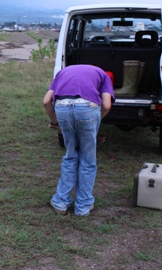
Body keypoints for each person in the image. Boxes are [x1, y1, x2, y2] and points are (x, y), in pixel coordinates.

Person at [43, 64, 114, 216]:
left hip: (62, 107)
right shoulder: (103, 74)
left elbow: (46, 101)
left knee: (70, 155)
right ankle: (83, 207)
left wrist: (56, 122)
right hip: (87, 108)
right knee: (88, 160)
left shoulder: (62, 73)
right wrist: (95, 121)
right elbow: (107, 105)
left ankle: (60, 202)